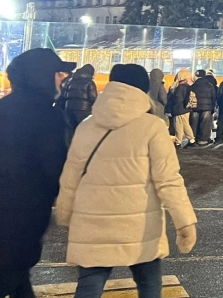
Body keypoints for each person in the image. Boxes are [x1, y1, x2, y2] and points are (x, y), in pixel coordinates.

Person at [56, 63, 197, 298]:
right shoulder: (153, 127)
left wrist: (65, 212)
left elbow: (71, 177)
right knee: (149, 285)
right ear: (142, 89)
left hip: (92, 221)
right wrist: (185, 222)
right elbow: (169, 180)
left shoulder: (87, 126)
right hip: (139, 225)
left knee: (89, 284)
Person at [0, 48, 71, 298]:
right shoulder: (46, 116)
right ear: (42, 76)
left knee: (15, 278)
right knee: (0, 282)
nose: (62, 79)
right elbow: (55, 169)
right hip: (21, 217)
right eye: (58, 74)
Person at [57, 64, 99, 141]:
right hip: (84, 110)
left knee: (70, 130)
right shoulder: (89, 83)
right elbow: (93, 97)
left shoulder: (70, 81)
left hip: (69, 109)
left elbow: (63, 96)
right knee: (82, 130)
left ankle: (69, 146)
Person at [189, 68, 217, 145]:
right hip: (207, 108)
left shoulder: (193, 86)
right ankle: (203, 139)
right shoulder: (210, 86)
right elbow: (213, 97)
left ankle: (193, 138)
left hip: (195, 107)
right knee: (205, 124)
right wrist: (213, 107)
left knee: (194, 123)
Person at [167, 69, 195, 147]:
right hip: (186, 109)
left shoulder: (180, 87)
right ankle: (192, 140)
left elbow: (177, 99)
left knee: (178, 126)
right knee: (186, 125)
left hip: (179, 109)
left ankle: (178, 142)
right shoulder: (188, 86)